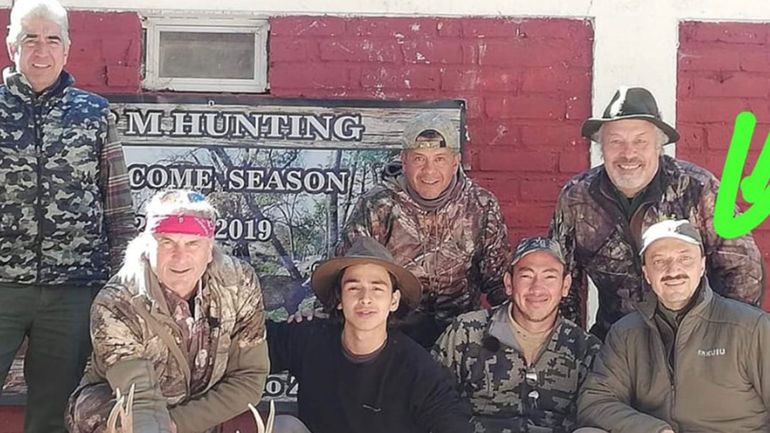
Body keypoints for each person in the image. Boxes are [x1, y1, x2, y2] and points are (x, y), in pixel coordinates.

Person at [0, 0, 134, 432]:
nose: (41, 50)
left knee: (54, 414)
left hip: (73, 291)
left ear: (68, 47)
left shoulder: (94, 114)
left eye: (52, 39)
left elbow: (117, 204)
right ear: (11, 45)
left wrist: (124, 283)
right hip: (2, 286)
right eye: (30, 39)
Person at [550, 86, 764, 339]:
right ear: (601, 148)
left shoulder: (699, 188)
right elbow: (561, 282)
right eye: (616, 142)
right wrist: (571, 346)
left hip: (694, 338)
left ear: (658, 147)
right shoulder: (576, 197)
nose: (628, 153)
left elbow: (742, 270)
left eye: (640, 141)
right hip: (616, 340)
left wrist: (726, 342)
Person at [66, 190, 269, 433]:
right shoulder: (117, 302)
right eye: (167, 242)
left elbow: (249, 377)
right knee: (97, 411)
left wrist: (181, 423)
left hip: (197, 409)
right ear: (147, 246)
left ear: (209, 250)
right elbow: (139, 398)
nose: (180, 257)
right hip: (132, 408)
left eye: (192, 243)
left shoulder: (238, 282)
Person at [576, 219, 770, 433]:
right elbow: (595, 402)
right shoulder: (627, 333)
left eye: (685, 258)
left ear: (702, 265)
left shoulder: (751, 328)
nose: (673, 270)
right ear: (647, 273)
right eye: (659, 261)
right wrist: (654, 430)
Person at [337, 113, 512, 347]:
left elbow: (499, 283)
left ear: (455, 162)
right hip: (391, 337)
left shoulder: (481, 205)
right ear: (404, 160)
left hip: (460, 338)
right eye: (419, 159)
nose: (429, 171)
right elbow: (347, 275)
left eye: (439, 159)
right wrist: (315, 313)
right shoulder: (377, 205)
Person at [268, 236, 472, 433]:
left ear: (393, 301)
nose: (365, 299)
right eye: (354, 288)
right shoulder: (309, 337)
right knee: (283, 426)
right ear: (339, 298)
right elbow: (253, 344)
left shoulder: (418, 369)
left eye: (377, 289)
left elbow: (452, 423)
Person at [434, 237, 601, 433]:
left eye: (549, 277)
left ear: (565, 286)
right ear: (509, 283)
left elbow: (600, 412)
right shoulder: (467, 332)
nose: (537, 288)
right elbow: (430, 399)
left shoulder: (585, 349)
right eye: (526, 276)